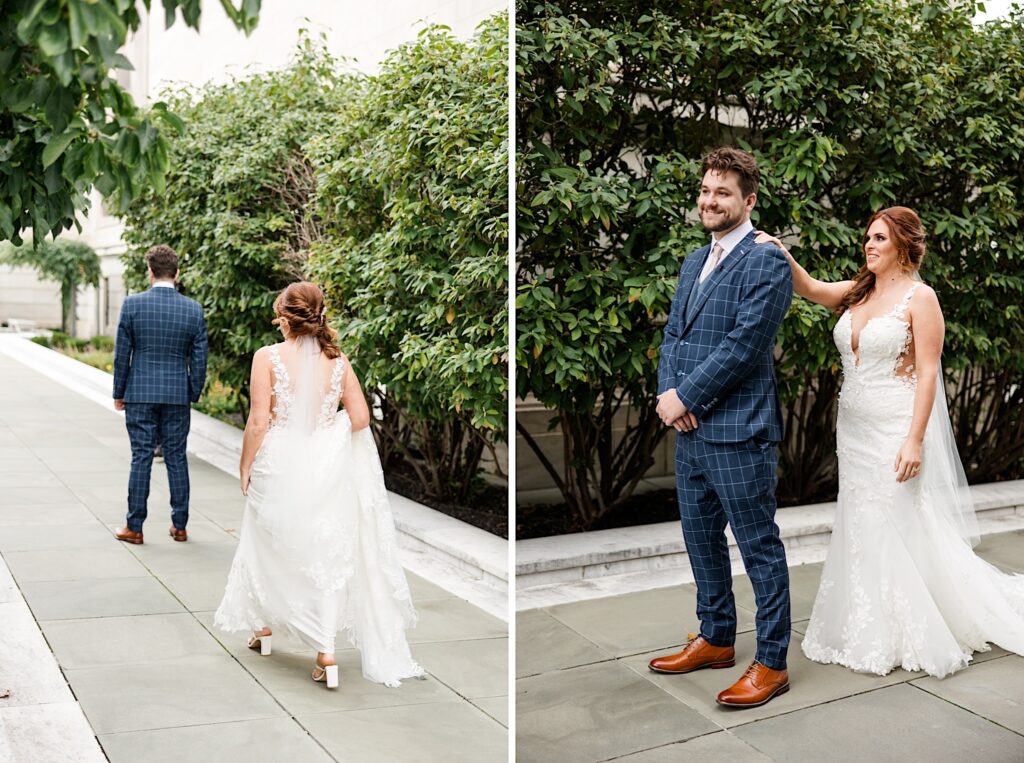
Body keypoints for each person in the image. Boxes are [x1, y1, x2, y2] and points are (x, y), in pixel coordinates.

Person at [756, 206, 1024, 678]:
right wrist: (782, 252)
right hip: (854, 429)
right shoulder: (861, 290)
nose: (869, 245)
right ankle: (863, 619)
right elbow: (814, 290)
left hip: (895, 426)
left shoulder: (921, 299)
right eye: (868, 238)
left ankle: (902, 627)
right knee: (860, 518)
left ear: (902, 244)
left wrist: (914, 441)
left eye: (879, 238)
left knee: (895, 519)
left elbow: (927, 374)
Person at [213, 281, 423, 689]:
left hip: (277, 464)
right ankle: (325, 652)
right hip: (325, 470)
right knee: (323, 555)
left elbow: (258, 421)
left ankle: (264, 630)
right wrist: (328, 432)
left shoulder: (266, 357)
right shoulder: (339, 361)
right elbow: (361, 418)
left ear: (284, 316)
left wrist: (244, 465)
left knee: (266, 544)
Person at [648, 147, 794, 708]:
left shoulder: (766, 261)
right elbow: (675, 336)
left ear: (748, 200)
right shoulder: (693, 259)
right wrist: (670, 398)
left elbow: (744, 346)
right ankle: (715, 637)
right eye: (707, 190)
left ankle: (772, 661)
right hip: (689, 429)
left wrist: (686, 395)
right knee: (700, 540)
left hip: (740, 432)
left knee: (759, 548)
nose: (710, 200)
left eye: (723, 193)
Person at [112, 244, 208, 544]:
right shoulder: (193, 309)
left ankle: (135, 527)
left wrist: (119, 392)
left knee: (141, 457)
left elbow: (121, 355)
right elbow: (200, 357)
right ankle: (179, 526)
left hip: (139, 392)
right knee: (177, 457)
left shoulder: (132, 305)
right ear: (177, 273)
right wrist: (193, 391)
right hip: (177, 394)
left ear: (150, 272)